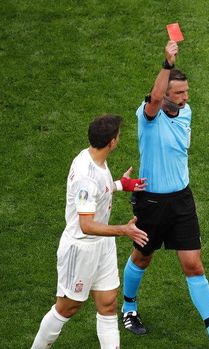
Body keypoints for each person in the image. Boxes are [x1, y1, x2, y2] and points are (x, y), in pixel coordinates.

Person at [119, 40, 209, 349]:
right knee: (142, 256)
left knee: (193, 264)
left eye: (186, 92)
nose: (185, 97)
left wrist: (179, 90)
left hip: (181, 202)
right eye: (178, 93)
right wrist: (166, 64)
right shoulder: (147, 117)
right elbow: (152, 101)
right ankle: (128, 308)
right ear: (165, 94)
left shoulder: (186, 112)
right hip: (151, 203)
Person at [31, 114, 149, 348]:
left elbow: (98, 191)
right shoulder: (86, 175)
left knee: (108, 303)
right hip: (81, 247)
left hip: (101, 245)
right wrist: (124, 230)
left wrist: (119, 184)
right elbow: (86, 224)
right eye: (118, 136)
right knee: (67, 307)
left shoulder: (96, 159)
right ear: (111, 142)